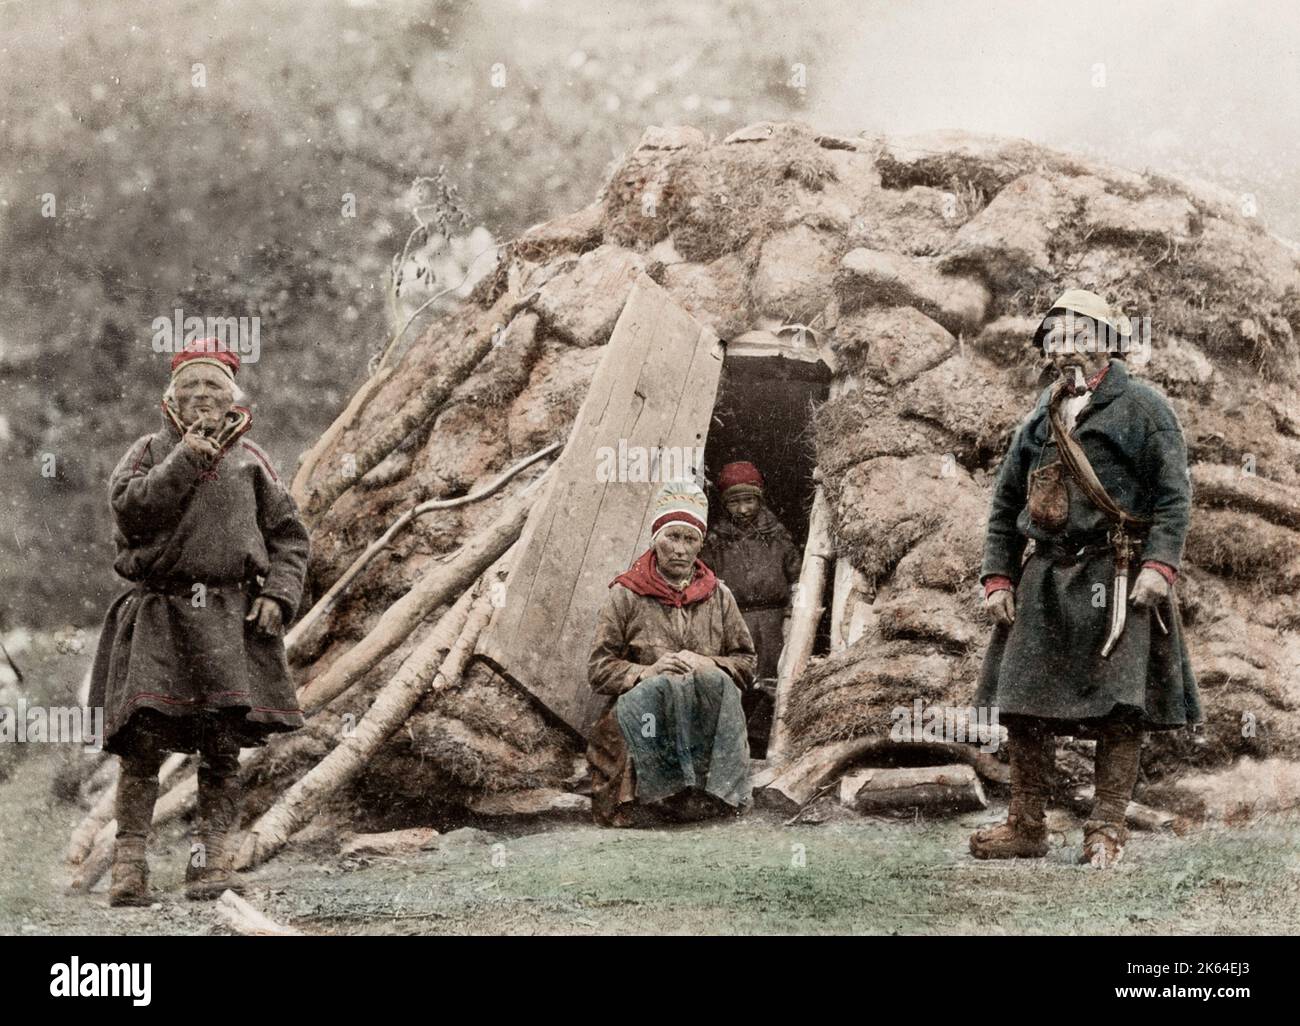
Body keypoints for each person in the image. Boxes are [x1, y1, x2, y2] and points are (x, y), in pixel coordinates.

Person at [972, 289, 1200, 868]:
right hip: (1044, 578)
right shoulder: (1037, 420)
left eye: (1078, 335)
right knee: (1022, 700)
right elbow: (1004, 508)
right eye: (1054, 338)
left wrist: (1160, 566)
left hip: (1117, 574)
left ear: (1107, 343)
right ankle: (1026, 824)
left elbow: (1175, 498)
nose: (1065, 347)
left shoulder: (1146, 409)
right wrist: (998, 578)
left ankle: (1106, 827)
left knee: (1120, 707)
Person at [88, 337, 310, 904]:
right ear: (172, 399)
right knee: (142, 746)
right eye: (190, 387)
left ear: (233, 397)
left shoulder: (252, 461)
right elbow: (131, 513)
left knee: (220, 748)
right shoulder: (145, 453)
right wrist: (185, 458)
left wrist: (278, 599)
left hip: (228, 620)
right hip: (160, 615)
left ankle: (213, 865)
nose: (202, 396)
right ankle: (129, 871)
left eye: (213, 386)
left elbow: (289, 538)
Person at [586, 480, 757, 827]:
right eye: (672, 537)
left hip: (699, 715)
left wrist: (709, 662)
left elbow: (746, 664)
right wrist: (645, 672)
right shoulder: (627, 594)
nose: (680, 549)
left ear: (701, 545)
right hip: (646, 718)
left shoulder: (718, 595)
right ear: (655, 540)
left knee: (716, 683)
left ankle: (710, 795)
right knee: (657, 689)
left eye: (689, 539)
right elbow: (599, 669)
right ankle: (652, 796)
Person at [699, 461, 801, 754]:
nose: (742, 509)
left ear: (759, 498)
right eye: (734, 502)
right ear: (724, 504)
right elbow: (706, 581)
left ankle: (765, 742)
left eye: (748, 500)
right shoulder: (716, 541)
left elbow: (797, 578)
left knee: (774, 682)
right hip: (735, 619)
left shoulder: (779, 536)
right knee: (738, 681)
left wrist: (791, 615)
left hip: (773, 621)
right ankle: (735, 745)